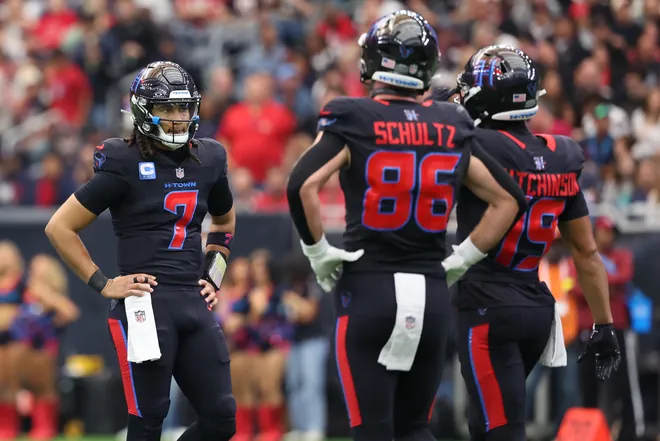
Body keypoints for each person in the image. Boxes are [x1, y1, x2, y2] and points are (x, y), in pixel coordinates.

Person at [286, 11, 529, 441]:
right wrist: (463, 258)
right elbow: (508, 199)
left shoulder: (353, 116)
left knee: (373, 430)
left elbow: (302, 185)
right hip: (432, 293)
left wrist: (318, 252)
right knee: (415, 428)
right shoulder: (450, 122)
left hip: (369, 289)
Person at [44, 61, 237, 441]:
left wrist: (213, 275)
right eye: (167, 108)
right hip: (145, 305)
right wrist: (103, 283)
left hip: (192, 302)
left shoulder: (209, 158)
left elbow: (224, 223)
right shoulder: (124, 161)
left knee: (222, 418)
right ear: (143, 110)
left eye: (184, 108)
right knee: (149, 420)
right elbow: (59, 227)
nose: (179, 118)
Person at [444, 45, 622, 441]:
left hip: (487, 306)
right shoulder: (562, 155)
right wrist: (604, 324)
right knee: (484, 422)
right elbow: (587, 252)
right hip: (535, 307)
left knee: (501, 430)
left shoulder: (477, 147)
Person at [9, 254, 79, 441]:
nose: (34, 273)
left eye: (40, 269)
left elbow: (70, 313)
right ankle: (11, 427)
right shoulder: (22, 293)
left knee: (43, 390)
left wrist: (43, 293)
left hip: (45, 355)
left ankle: (43, 428)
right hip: (19, 354)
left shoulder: (53, 297)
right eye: (33, 269)